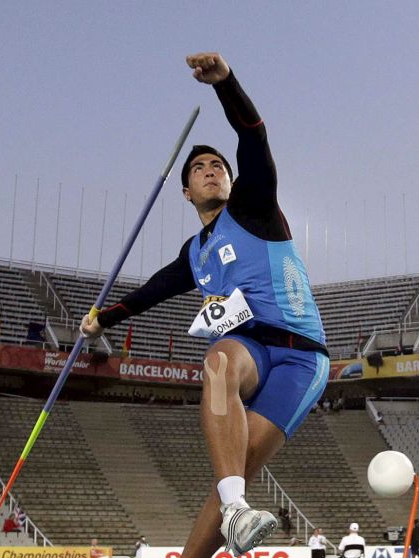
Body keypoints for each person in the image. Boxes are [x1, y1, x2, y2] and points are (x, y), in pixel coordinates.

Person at [80, 52, 329, 558]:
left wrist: (226, 84)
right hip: (249, 350)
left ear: (231, 181)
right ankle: (237, 510)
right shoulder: (194, 255)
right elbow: (151, 290)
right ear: (186, 191)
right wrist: (100, 319)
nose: (212, 170)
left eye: (218, 166)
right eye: (200, 168)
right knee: (218, 359)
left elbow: (254, 138)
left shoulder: (254, 208)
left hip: (301, 359)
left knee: (237, 467)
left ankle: (227, 512)